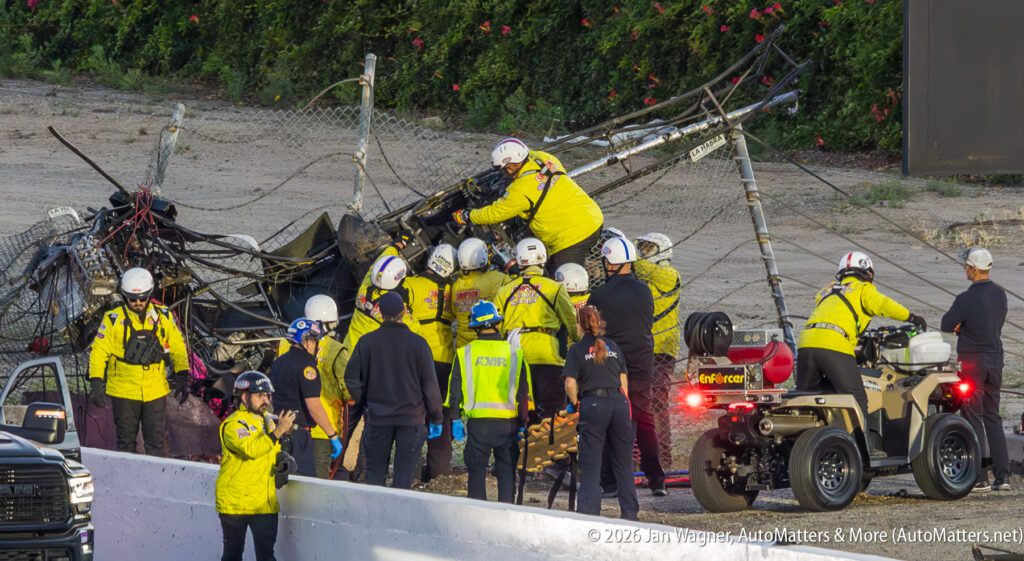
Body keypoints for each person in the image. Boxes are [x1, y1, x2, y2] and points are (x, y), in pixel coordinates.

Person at [797, 251, 927, 431]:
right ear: (868, 273)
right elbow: (884, 305)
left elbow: (823, 301)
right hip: (834, 344)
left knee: (806, 398)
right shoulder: (864, 289)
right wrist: (912, 317)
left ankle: (803, 438)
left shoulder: (827, 291)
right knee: (856, 397)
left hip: (805, 343)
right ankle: (859, 445)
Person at [452, 138, 603, 273]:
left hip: (572, 236)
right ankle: (588, 268)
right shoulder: (544, 158)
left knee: (561, 283)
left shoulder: (520, 190)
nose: (503, 174)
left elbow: (494, 213)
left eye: (502, 170)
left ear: (510, 167)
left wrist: (468, 215)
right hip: (592, 216)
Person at [588, 237, 666, 496]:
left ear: (610, 262)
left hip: (611, 362)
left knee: (611, 418)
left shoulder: (598, 295)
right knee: (644, 419)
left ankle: (610, 482)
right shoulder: (644, 290)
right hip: (642, 359)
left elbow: (594, 330)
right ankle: (656, 479)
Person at [344, 292, 444, 489]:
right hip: (411, 418)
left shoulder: (367, 342)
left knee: (374, 473)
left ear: (379, 312)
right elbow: (430, 385)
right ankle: (399, 517)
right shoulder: (419, 344)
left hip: (378, 417)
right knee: (404, 475)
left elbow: (351, 378)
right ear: (404, 311)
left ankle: (375, 516)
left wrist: (365, 400)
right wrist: (437, 417)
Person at [88, 267, 189, 455]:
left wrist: (183, 374)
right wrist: (96, 381)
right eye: (132, 299)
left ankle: (155, 482)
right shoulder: (113, 320)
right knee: (125, 442)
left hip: (155, 389)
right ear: (125, 297)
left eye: (142, 298)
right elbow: (99, 352)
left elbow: (177, 345)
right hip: (123, 390)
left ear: (150, 295)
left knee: (156, 442)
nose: (138, 302)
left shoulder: (163, 315)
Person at [445, 300, 533, 503]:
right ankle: (507, 513)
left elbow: (454, 388)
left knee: (476, 474)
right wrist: (523, 422)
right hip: (508, 424)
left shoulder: (465, 353)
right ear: (497, 323)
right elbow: (523, 393)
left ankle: (477, 516)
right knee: (506, 472)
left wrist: (455, 418)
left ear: (475, 326)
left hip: (479, 425)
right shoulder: (514, 354)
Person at [940, 247, 1011, 492]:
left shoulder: (965, 298)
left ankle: (979, 476)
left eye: (965, 267)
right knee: (993, 416)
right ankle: (1003, 477)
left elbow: (946, 324)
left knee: (971, 416)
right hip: (995, 359)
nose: (964, 270)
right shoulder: (1000, 294)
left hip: (972, 362)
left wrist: (962, 327)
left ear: (972, 269)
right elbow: (995, 321)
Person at [564, 306, 639, 521]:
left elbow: (570, 383)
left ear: (579, 325)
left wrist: (576, 402)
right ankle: (630, 513)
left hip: (593, 404)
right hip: (619, 404)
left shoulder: (577, 350)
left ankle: (589, 514)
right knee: (623, 462)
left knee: (590, 462)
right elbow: (624, 383)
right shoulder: (613, 346)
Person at [493, 238, 579, 419]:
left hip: (515, 356)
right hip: (547, 355)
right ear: (542, 258)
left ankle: (523, 445)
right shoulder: (554, 288)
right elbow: (571, 322)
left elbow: (497, 327)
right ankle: (549, 445)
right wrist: (579, 340)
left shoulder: (504, 291)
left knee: (522, 412)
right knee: (552, 411)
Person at [216, 371, 295, 561]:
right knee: (233, 555)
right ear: (244, 397)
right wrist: (279, 431)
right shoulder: (233, 424)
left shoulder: (267, 420)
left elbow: (270, 450)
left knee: (267, 557)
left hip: (263, 503)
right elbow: (251, 449)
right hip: (235, 505)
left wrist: (282, 459)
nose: (265, 400)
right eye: (260, 395)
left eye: (267, 395)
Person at [275, 295, 351, 479]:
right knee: (316, 481)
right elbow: (343, 391)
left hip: (284, 425)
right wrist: (333, 435)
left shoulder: (284, 347)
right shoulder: (333, 352)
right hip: (319, 428)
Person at [405, 243, 458, 481]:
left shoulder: (411, 284)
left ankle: (412, 472)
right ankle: (439, 473)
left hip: (417, 358)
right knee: (441, 415)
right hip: (445, 359)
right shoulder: (455, 289)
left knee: (416, 415)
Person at [634, 232, 681, 469]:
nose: (642, 253)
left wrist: (627, 257)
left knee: (657, 405)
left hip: (661, 349)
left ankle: (662, 459)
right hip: (645, 347)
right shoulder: (644, 280)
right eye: (641, 248)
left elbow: (642, 268)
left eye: (648, 248)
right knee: (640, 404)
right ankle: (641, 458)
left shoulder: (668, 274)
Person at [452, 238, 508, 348]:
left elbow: (454, 312)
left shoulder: (456, 286)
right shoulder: (496, 278)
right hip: (489, 342)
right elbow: (515, 287)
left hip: (464, 347)